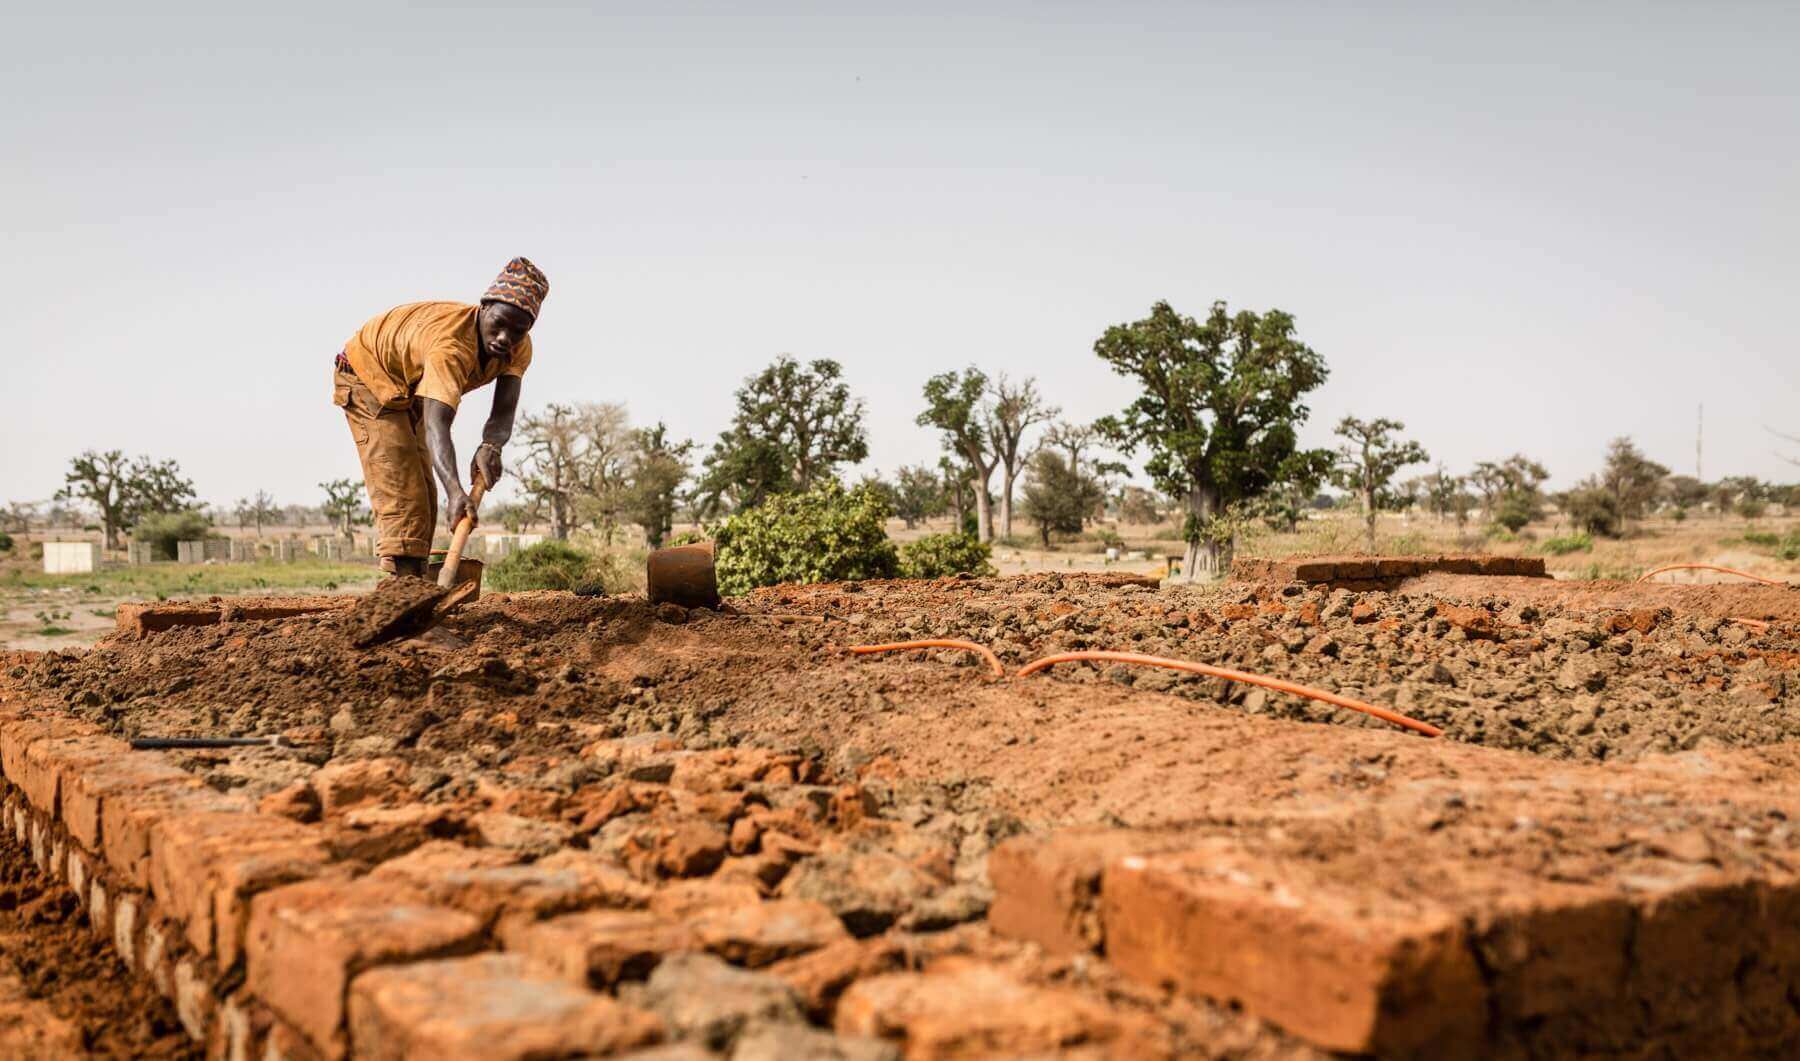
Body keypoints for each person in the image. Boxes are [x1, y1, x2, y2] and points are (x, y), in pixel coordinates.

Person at [332, 257, 547, 577]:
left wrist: (491, 445)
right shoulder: (450, 347)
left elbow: (504, 408)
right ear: (484, 307)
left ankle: (413, 582)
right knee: (404, 491)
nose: (505, 338)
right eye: (499, 323)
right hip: (367, 376)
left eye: (518, 331)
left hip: (410, 385)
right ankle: (404, 593)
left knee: (426, 494)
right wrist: (456, 491)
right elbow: (437, 426)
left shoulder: (519, 346)